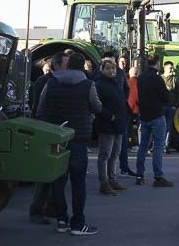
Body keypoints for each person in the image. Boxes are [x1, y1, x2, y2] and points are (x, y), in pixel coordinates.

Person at [36, 51, 102, 235]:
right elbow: (97, 106)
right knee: (78, 182)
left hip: (56, 137)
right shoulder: (88, 85)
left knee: (58, 181)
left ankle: (62, 220)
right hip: (79, 137)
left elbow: (41, 110)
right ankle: (78, 223)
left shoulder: (51, 83)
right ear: (82, 67)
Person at [135, 54, 173, 186]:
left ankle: (139, 174)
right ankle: (158, 176)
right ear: (157, 63)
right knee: (158, 146)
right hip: (157, 115)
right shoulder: (157, 79)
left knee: (143, 146)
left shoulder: (141, 78)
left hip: (144, 115)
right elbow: (166, 97)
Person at [94, 58, 129, 195]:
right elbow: (98, 105)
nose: (111, 71)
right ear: (102, 70)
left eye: (113, 68)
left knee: (115, 154)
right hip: (106, 125)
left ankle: (113, 179)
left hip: (118, 124)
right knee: (105, 154)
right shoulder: (99, 85)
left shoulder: (116, 83)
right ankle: (104, 182)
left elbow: (123, 96)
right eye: (108, 68)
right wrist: (110, 116)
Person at [28, 60, 56, 223]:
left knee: (47, 173)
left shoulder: (41, 81)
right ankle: (40, 209)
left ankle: (42, 207)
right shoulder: (49, 82)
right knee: (48, 173)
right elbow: (39, 106)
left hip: (43, 125)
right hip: (47, 127)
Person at [117, 54, 136, 177]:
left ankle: (124, 167)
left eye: (125, 62)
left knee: (122, 142)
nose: (124, 64)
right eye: (122, 62)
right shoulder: (117, 75)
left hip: (122, 112)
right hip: (114, 114)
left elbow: (127, 91)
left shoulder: (123, 75)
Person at [162, 60, 179, 151]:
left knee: (169, 127)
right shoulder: (160, 78)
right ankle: (158, 145)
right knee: (161, 126)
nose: (172, 70)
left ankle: (166, 145)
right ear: (165, 68)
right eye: (170, 68)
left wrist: (176, 105)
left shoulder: (175, 79)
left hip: (171, 106)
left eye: (172, 68)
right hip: (161, 106)